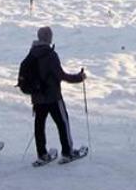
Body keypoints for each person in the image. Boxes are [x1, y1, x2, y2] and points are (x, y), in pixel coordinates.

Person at [21, 25, 87, 164]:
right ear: (49, 38)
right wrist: (79, 78)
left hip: (37, 97)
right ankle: (67, 152)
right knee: (62, 123)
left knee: (39, 125)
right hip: (53, 96)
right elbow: (61, 75)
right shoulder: (50, 55)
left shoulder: (32, 53)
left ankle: (42, 154)